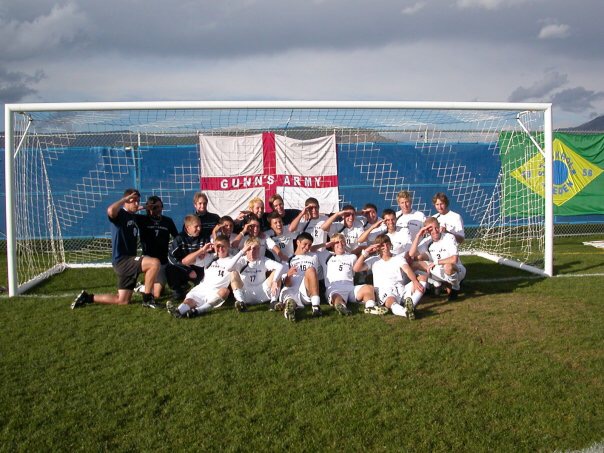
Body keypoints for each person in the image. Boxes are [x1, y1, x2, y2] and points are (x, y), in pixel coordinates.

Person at [72, 189, 160, 309]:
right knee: (154, 263)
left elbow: (135, 209)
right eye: (133, 201)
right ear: (126, 201)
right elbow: (110, 210)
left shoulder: (131, 215)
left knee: (122, 300)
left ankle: (87, 297)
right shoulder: (119, 214)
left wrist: (145, 206)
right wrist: (124, 199)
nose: (136, 203)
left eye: (138, 201)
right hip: (123, 260)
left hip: (125, 262)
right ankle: (148, 299)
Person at [166, 236, 246, 318]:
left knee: (225, 291)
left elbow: (234, 267)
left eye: (223, 246)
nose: (220, 249)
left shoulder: (234, 259)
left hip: (216, 292)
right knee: (189, 301)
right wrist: (202, 250)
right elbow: (185, 261)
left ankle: (198, 311)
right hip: (202, 288)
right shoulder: (209, 257)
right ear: (214, 246)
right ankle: (178, 311)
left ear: (228, 246)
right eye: (218, 246)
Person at [353, 234, 427, 320]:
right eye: (382, 245)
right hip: (385, 291)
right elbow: (356, 268)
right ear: (378, 248)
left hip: (400, 288)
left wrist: (415, 281)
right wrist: (366, 252)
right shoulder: (374, 260)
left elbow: (407, 270)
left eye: (387, 244)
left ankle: (411, 305)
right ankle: (405, 312)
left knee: (423, 278)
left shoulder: (398, 258)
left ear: (390, 245)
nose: (385, 247)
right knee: (391, 300)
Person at [409, 216, 466, 301]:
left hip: (457, 269)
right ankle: (436, 283)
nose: (435, 231)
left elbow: (454, 259)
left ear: (439, 226)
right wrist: (418, 235)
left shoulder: (449, 237)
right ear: (427, 230)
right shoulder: (427, 241)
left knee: (448, 267)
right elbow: (411, 254)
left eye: (436, 228)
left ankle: (455, 287)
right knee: (413, 264)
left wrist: (436, 262)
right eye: (431, 229)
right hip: (439, 270)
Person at [323, 234, 376, 315]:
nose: (340, 244)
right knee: (336, 296)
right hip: (334, 287)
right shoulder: (325, 255)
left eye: (342, 242)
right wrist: (325, 245)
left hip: (350, 287)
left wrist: (366, 253)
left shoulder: (352, 257)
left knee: (368, 288)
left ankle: (370, 307)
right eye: (337, 242)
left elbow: (358, 268)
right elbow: (311, 249)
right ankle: (342, 307)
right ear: (332, 245)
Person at [136, 195, 178, 298]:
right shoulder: (142, 219)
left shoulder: (167, 221)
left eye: (159, 207)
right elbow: (127, 213)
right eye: (154, 207)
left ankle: (143, 286)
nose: (157, 209)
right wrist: (144, 207)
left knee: (157, 294)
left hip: (163, 260)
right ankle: (142, 287)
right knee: (153, 293)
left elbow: (177, 237)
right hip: (148, 260)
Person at [230, 237, 285, 312]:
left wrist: (275, 281)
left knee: (277, 273)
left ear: (259, 249)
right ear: (246, 250)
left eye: (256, 249)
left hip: (262, 292)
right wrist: (242, 251)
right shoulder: (242, 260)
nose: (252, 251)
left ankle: (273, 302)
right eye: (249, 249)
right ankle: (241, 303)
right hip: (246, 293)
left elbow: (281, 267)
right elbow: (228, 268)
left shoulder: (263, 260)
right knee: (233, 272)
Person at [280, 232, 323, 321]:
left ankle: (316, 307)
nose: (307, 247)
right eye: (305, 244)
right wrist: (289, 275)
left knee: (311, 270)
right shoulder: (288, 259)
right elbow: (287, 284)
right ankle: (290, 309)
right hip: (291, 289)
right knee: (291, 300)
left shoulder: (314, 256)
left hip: (306, 290)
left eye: (309, 245)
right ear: (298, 243)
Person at [167, 215, 206, 301]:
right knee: (170, 268)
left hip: (199, 266)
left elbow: (208, 254)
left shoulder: (204, 237)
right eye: (196, 226)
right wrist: (187, 269)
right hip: (183, 267)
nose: (199, 229)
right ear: (188, 227)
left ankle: (193, 287)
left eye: (200, 226)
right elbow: (171, 258)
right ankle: (178, 290)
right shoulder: (180, 238)